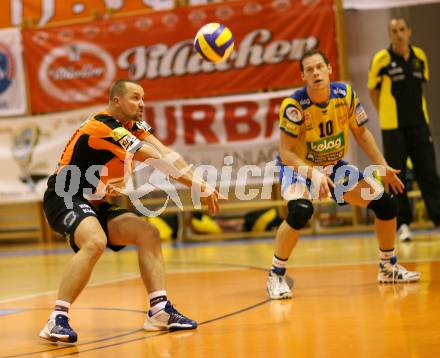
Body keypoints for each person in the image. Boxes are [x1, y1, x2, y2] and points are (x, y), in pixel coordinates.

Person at [39, 79, 221, 342]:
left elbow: (166, 153)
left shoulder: (134, 126)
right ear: (116, 101)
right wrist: (197, 186)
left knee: (148, 233)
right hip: (63, 196)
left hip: (94, 201)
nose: (142, 104)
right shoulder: (103, 125)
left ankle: (158, 311)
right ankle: (57, 318)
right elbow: (151, 157)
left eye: (143, 98)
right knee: (95, 241)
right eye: (135, 98)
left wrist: (200, 182)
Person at [266, 49, 420, 300]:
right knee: (301, 210)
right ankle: (276, 275)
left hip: (333, 167)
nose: (315, 73)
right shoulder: (294, 106)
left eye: (319, 67)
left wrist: (382, 166)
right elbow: (286, 153)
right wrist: (313, 175)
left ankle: (388, 266)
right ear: (302, 76)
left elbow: (361, 133)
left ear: (329, 70)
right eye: (309, 70)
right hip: (298, 168)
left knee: (385, 204)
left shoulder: (345, 94)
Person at [368, 18, 440, 241]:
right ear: (389, 34)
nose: (398, 34)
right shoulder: (382, 59)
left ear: (409, 31)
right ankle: (403, 225)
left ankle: (438, 221)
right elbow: (373, 90)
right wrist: (385, 113)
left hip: (420, 125)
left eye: (401, 30)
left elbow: (420, 87)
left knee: (428, 174)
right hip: (393, 129)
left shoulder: (420, 56)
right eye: (393, 31)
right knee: (397, 179)